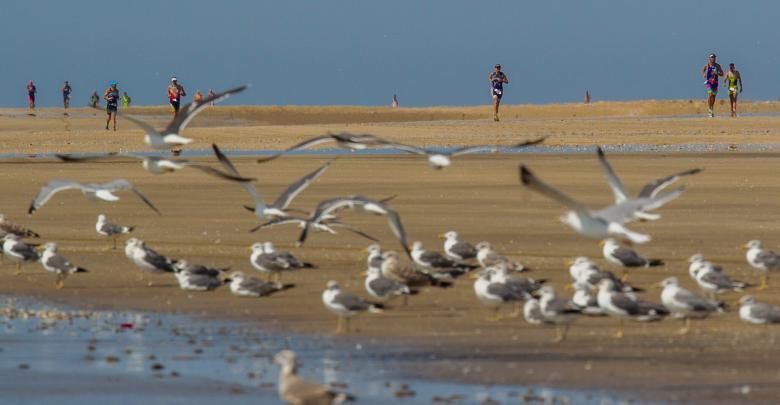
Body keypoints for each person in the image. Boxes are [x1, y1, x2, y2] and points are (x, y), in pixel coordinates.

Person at [701, 53, 724, 118]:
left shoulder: (718, 66)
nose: (713, 58)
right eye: (712, 57)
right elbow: (703, 70)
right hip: (709, 83)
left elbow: (722, 74)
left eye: (714, 57)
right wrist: (704, 74)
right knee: (710, 94)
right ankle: (709, 109)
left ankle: (711, 108)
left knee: (713, 96)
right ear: (709, 58)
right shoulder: (707, 65)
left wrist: (718, 73)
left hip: (715, 83)